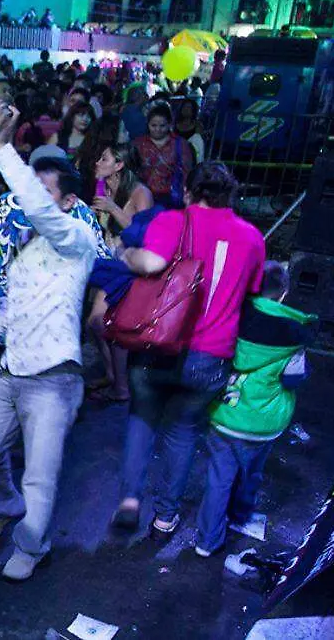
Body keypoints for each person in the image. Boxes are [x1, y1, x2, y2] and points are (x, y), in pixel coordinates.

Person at [0, 104, 99, 582]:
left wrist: (2, 148)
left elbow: (39, 208)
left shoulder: (77, 236)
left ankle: (33, 544)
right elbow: (10, 300)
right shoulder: (25, 244)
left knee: (40, 478)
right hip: (10, 371)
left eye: (44, 192)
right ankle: (5, 507)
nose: (31, 202)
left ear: (65, 203)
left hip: (54, 380)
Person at [112, 162, 266, 535]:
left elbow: (150, 261)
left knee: (142, 418)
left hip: (157, 345)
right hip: (210, 358)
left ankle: (131, 499)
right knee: (183, 432)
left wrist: (123, 254)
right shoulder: (252, 237)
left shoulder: (172, 221)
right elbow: (253, 294)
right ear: (230, 194)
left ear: (189, 191)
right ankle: (166, 515)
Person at [193, 261, 313, 557]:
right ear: (283, 294)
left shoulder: (232, 316)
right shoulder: (295, 334)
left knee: (219, 478)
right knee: (252, 474)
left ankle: (206, 542)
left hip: (225, 414)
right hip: (263, 424)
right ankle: (240, 517)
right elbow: (293, 379)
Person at [85, 143, 154, 404]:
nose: (97, 162)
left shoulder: (140, 193)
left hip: (131, 267)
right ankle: (114, 377)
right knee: (95, 326)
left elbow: (146, 234)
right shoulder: (104, 187)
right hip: (109, 264)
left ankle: (120, 384)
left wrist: (113, 208)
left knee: (103, 324)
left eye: (104, 158)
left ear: (119, 165)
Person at [133, 104, 195, 207]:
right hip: (142, 197)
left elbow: (187, 173)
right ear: (147, 124)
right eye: (153, 125)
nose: (157, 129)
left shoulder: (180, 144)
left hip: (171, 199)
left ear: (169, 125)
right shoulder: (138, 144)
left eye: (162, 126)